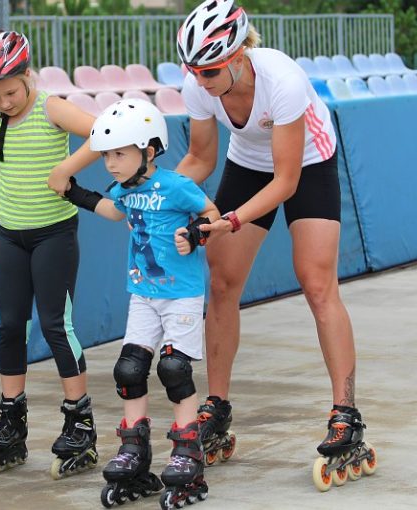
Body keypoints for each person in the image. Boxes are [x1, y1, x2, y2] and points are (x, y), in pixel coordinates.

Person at [174, 0, 372, 473]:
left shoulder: (282, 79)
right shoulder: (198, 85)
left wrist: (232, 219)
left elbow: (285, 181)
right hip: (248, 161)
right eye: (194, 71)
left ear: (239, 55)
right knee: (221, 282)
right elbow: (201, 160)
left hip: (308, 162)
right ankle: (215, 408)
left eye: (210, 71)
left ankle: (346, 414)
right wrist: (156, 194)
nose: (200, 81)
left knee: (316, 282)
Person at [62, 98, 219, 507]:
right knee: (129, 369)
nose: (110, 163)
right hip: (143, 296)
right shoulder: (124, 190)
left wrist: (196, 233)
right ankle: (135, 450)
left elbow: (212, 213)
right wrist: (74, 191)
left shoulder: (176, 185)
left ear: (148, 152)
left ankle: (188, 454)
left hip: (181, 293)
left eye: (119, 153)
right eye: (107, 155)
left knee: (173, 368)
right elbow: (113, 212)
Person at [0, 30, 101, 480]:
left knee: (55, 325)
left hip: (53, 235)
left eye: (9, 92)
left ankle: (79, 422)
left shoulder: (51, 108)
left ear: (28, 76)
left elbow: (102, 133)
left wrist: (67, 167)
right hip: (8, 234)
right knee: (10, 325)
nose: (3, 102)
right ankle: (11, 421)